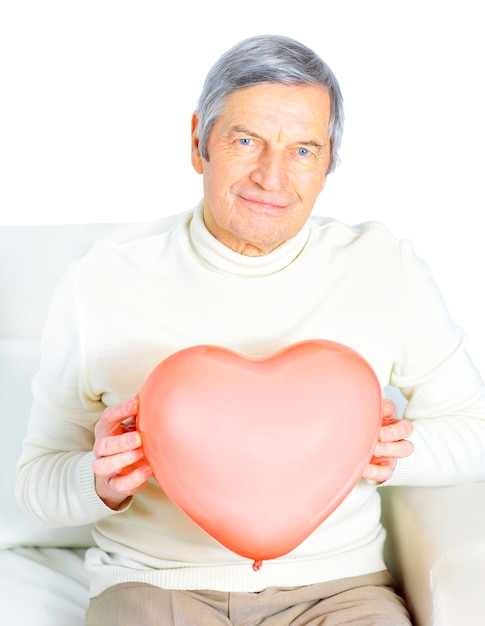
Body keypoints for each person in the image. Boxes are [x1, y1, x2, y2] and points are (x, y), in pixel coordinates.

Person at [16, 34, 485, 625]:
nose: (272, 176)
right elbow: (37, 481)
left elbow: (475, 427)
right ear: (198, 143)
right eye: (246, 141)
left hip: (337, 594)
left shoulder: (382, 267)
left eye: (304, 150)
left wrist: (384, 452)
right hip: (156, 590)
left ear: (329, 163)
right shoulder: (101, 281)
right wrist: (99, 479)